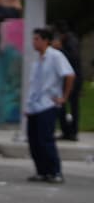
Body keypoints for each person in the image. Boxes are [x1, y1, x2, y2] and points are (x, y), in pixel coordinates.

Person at [24, 27, 75, 184]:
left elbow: (69, 75)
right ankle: (42, 171)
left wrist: (63, 97)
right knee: (34, 140)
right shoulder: (37, 61)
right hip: (34, 105)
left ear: (46, 40)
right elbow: (34, 84)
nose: (34, 42)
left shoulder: (55, 56)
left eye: (37, 39)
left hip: (48, 104)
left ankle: (55, 171)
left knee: (46, 139)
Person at [55, 22, 82, 141]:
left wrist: (61, 49)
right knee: (66, 105)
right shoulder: (70, 41)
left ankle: (72, 131)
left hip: (73, 78)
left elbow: (73, 57)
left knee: (72, 105)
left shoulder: (71, 42)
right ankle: (67, 131)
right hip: (69, 77)